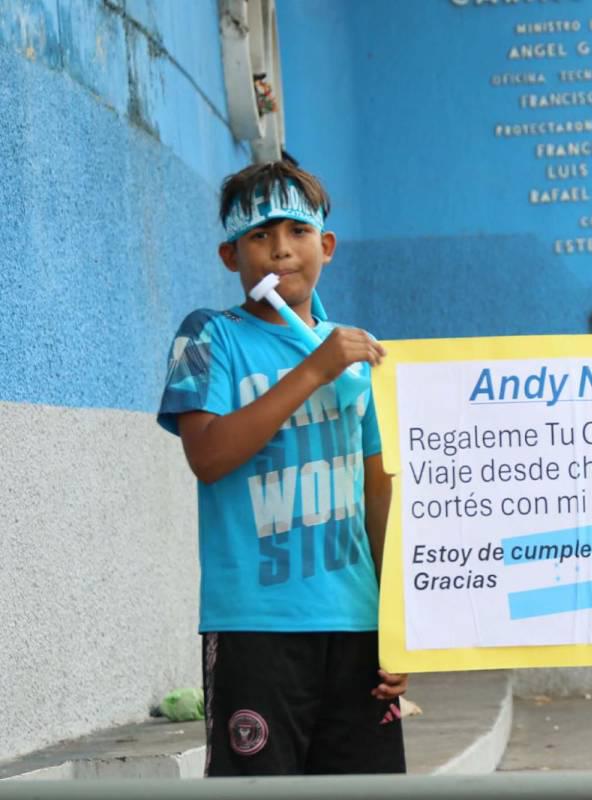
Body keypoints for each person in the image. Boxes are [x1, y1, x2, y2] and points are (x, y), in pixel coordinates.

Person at [157, 160, 408, 776]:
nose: (280, 250)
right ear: (229, 255)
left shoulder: (356, 353)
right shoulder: (209, 337)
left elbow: (379, 495)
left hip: (355, 624)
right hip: (254, 626)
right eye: (259, 235)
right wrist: (313, 371)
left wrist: (398, 626)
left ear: (327, 246)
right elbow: (208, 456)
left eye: (298, 231)